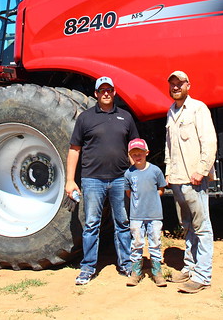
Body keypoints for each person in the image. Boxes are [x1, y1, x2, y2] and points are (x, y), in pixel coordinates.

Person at [65, 76, 139, 285]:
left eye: (109, 90)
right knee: (91, 225)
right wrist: (70, 180)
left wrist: (137, 176)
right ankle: (88, 267)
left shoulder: (126, 117)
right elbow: (74, 149)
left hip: (119, 179)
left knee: (122, 224)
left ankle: (125, 265)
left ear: (114, 92)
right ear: (96, 93)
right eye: (102, 90)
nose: (106, 93)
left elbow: (134, 148)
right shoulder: (85, 118)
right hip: (92, 180)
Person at [165, 70, 217, 293]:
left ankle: (203, 275)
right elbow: (169, 145)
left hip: (194, 179)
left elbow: (210, 142)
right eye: (173, 84)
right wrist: (168, 170)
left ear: (188, 85)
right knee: (187, 226)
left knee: (202, 227)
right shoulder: (170, 112)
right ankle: (190, 266)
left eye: (180, 83)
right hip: (177, 179)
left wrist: (201, 170)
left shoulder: (198, 109)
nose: (176, 87)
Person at [124, 138, 167, 287]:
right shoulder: (129, 173)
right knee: (136, 242)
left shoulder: (155, 170)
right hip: (136, 215)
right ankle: (136, 272)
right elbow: (129, 192)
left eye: (140, 153)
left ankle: (157, 272)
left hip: (154, 214)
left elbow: (161, 189)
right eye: (134, 153)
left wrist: (152, 200)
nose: (137, 156)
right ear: (130, 155)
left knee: (155, 241)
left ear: (146, 153)